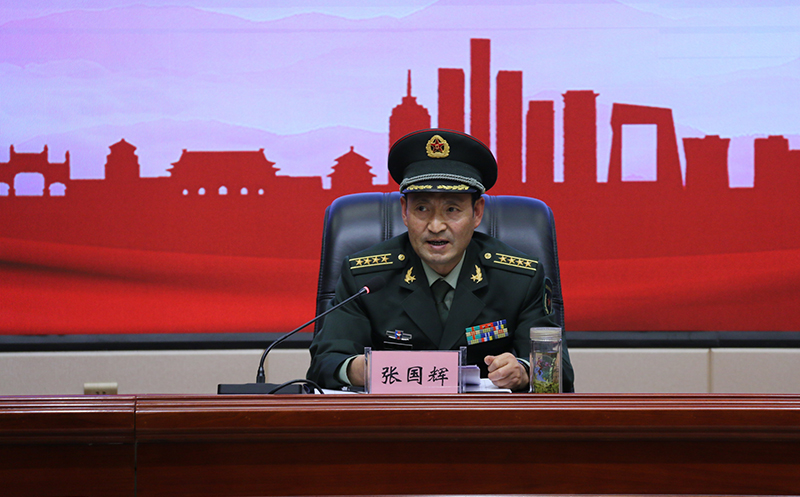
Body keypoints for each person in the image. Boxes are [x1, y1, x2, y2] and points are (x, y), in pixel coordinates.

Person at [307, 128, 574, 392]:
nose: (436, 226)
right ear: (404, 211)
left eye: (452, 209)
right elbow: (324, 362)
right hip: (394, 415)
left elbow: (559, 371)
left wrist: (523, 370)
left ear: (477, 212)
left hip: (483, 417)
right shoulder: (365, 278)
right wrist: (359, 369)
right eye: (422, 208)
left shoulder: (519, 279)